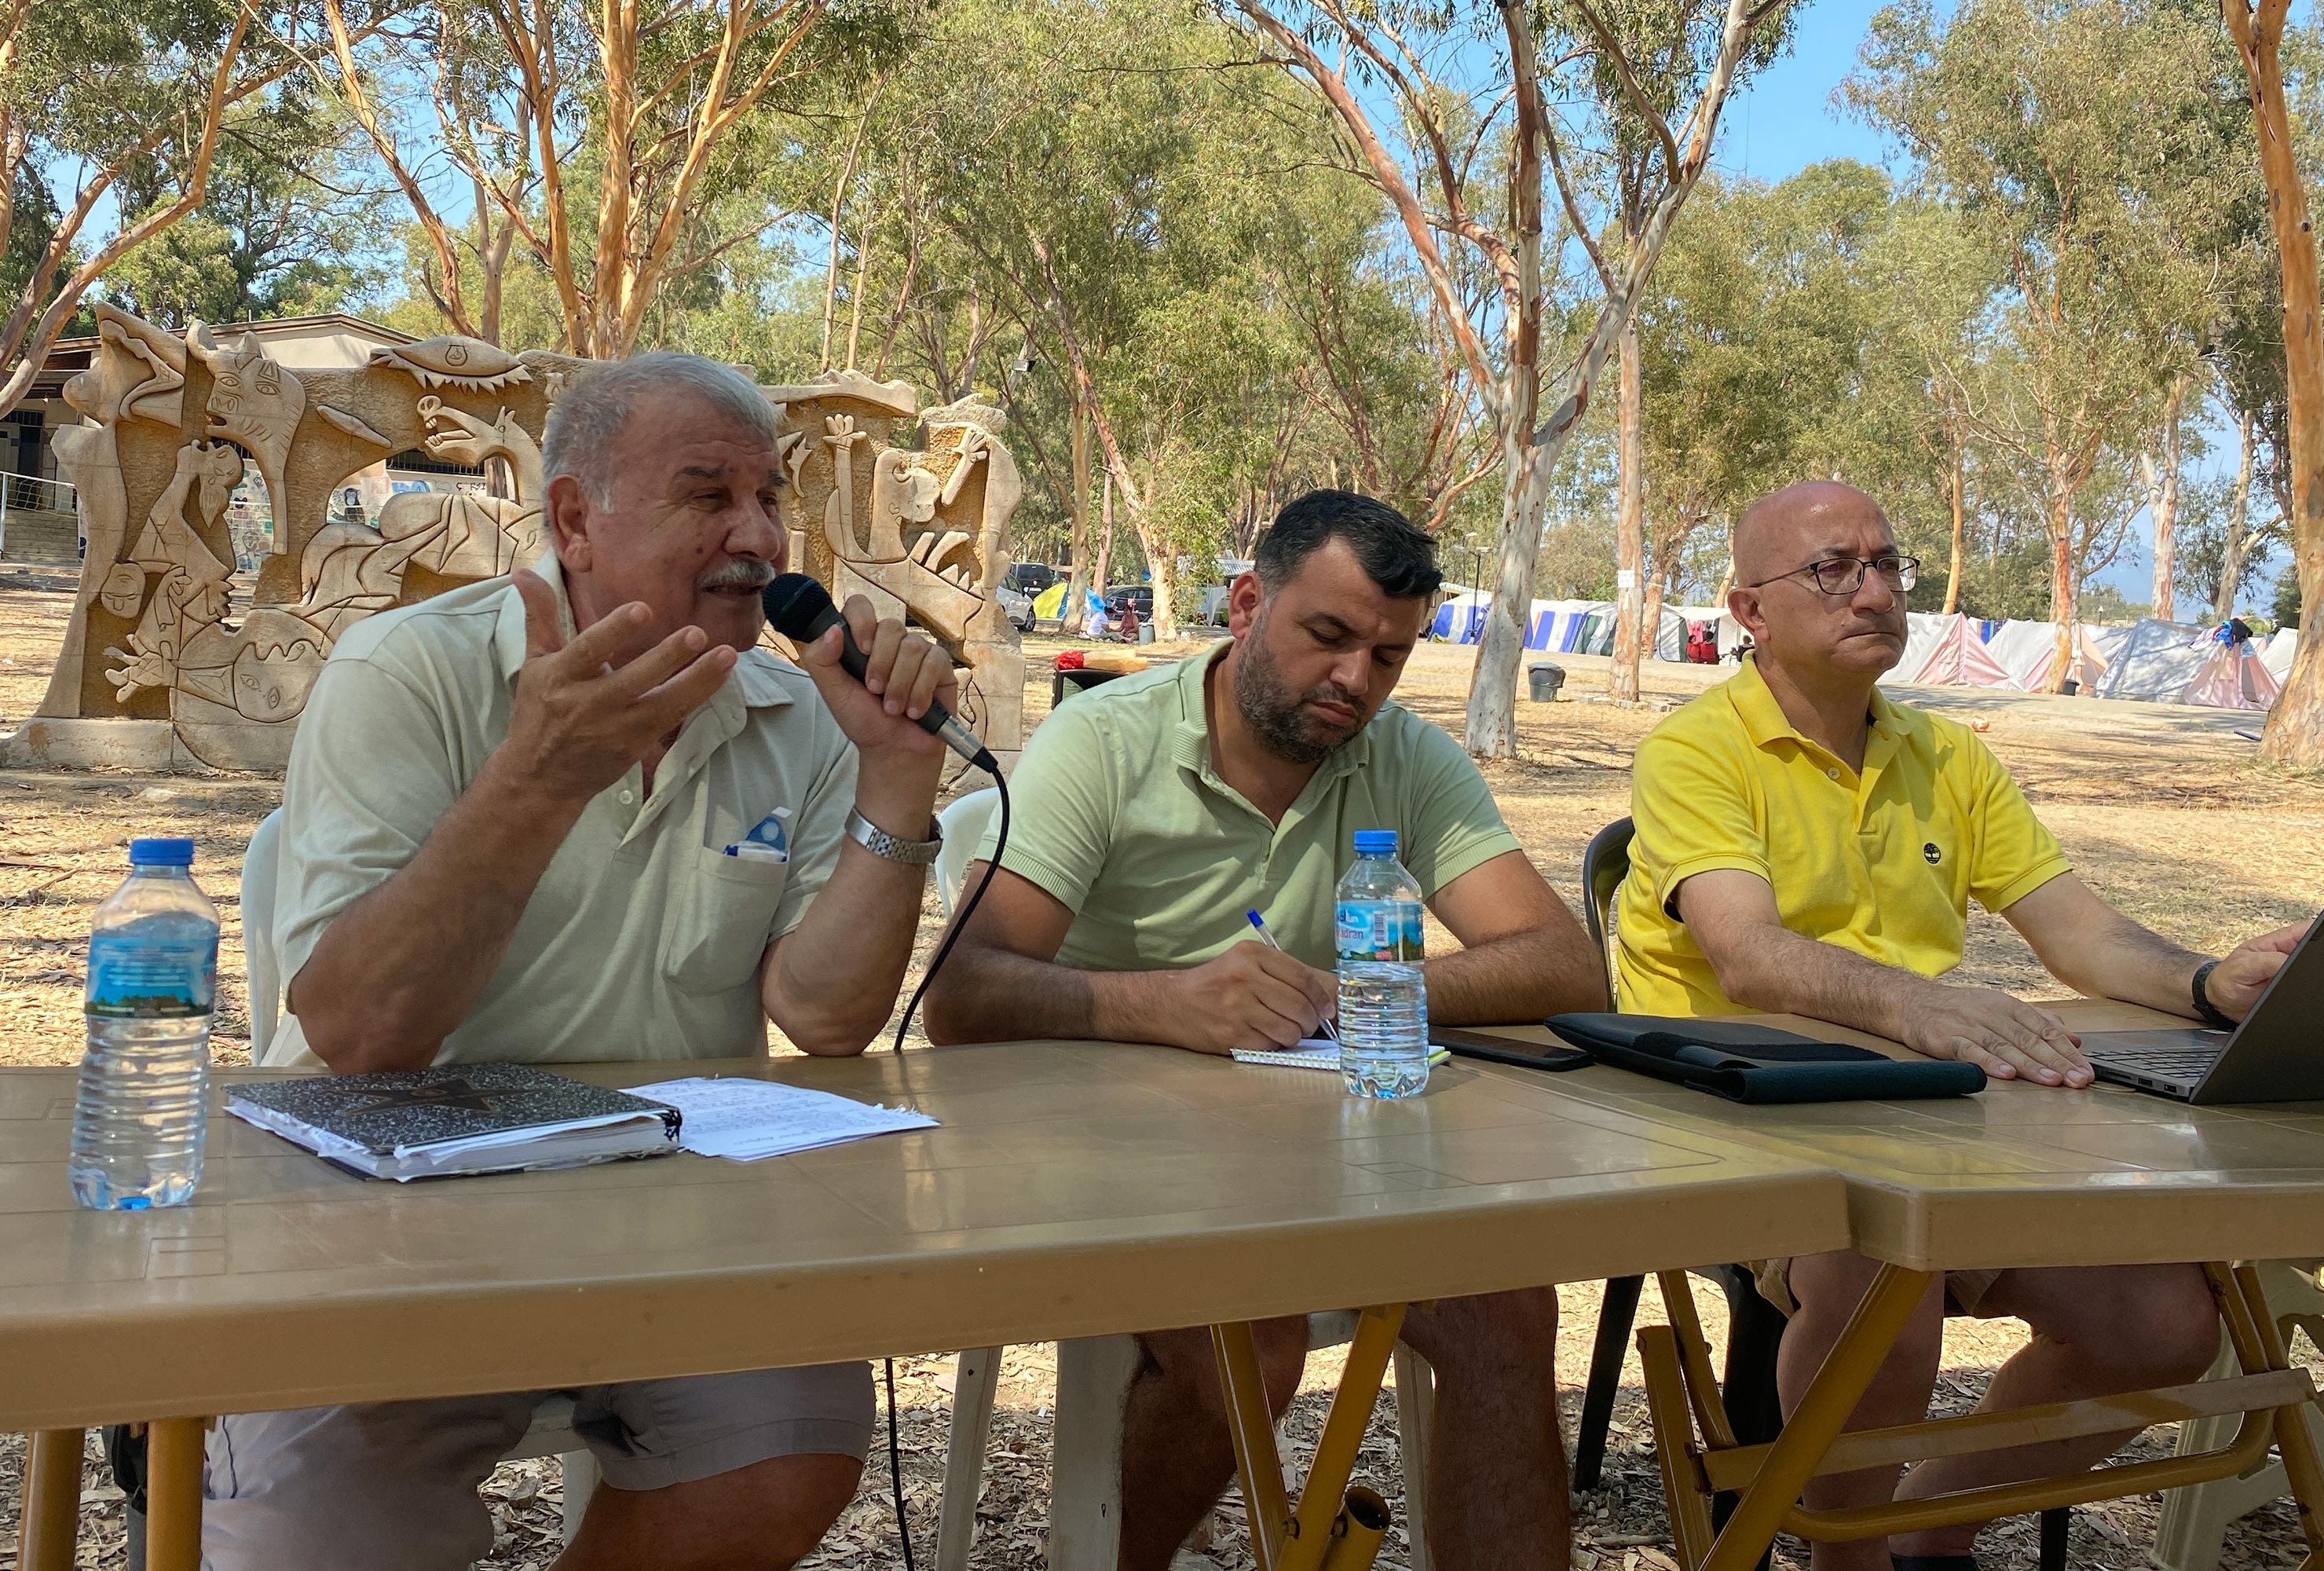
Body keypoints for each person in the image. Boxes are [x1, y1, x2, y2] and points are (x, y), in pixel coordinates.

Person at [218, 353, 962, 1571]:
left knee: (794, 1454)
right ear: (573, 518)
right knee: (313, 1540)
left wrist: (895, 779)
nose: (759, 536)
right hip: (385, 1221)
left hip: (678, 1215)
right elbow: (359, 1035)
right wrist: (540, 773)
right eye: (707, 494)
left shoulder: (797, 715)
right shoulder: (407, 674)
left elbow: (824, 1020)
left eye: (772, 497)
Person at [1616, 480, 2311, 1571]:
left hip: (1938, 1119)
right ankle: (1848, 1557)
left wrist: (2209, 981)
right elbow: (1744, 956)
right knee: (1878, 1275)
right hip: (1736, 1114)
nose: (1874, 591)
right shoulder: (1696, 751)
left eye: (1886, 565)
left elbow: (2077, 935)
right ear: (1748, 613)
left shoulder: (1948, 755)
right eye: (1832, 570)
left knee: (2166, 1325)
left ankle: (1934, 1530)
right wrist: (1920, 1002)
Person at [925, 489, 1605, 1570]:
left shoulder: (1406, 759)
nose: (1354, 682)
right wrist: (1160, 1003)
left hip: (1314, 1150)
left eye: (1388, 657)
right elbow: (960, 996)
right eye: (1327, 636)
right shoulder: (1103, 743)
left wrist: (1351, 989)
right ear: (1248, 605)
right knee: (1250, 1331)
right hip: (1096, 1143)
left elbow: (1565, 967)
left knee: (1507, 1307)